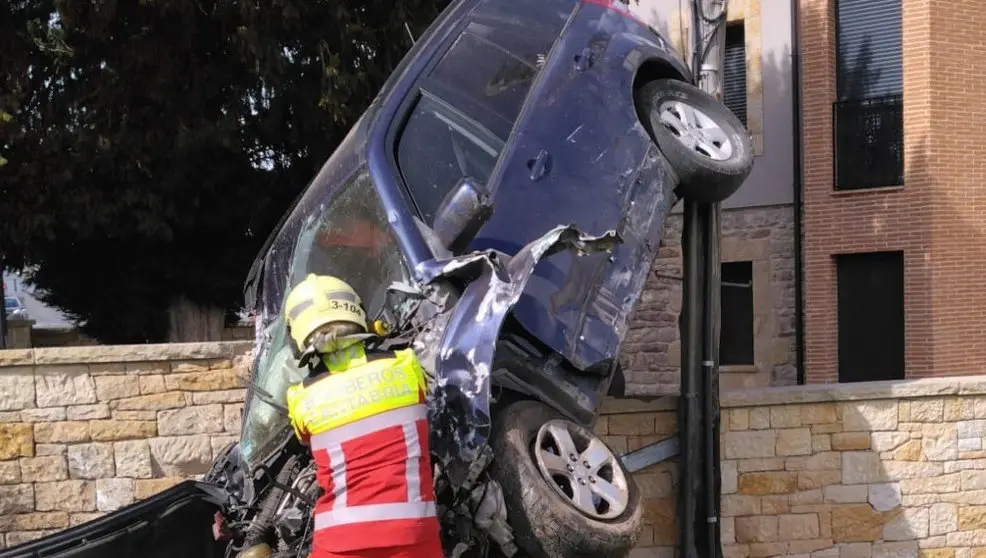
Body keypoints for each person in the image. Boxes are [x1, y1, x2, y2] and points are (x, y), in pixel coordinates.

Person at [283, 274, 444, 558]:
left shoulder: (301, 399)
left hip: (339, 542)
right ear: (358, 313)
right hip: (414, 535)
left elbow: (306, 440)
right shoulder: (406, 367)